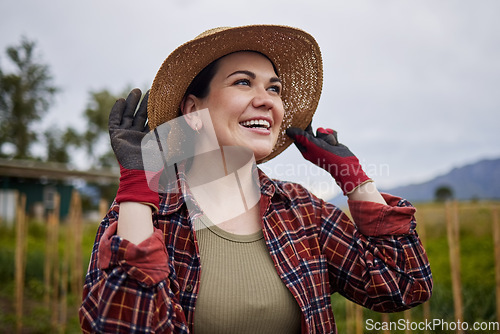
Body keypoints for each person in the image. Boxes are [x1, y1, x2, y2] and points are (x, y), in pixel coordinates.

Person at [79, 25, 432, 334]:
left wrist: (353, 177)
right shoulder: (147, 213)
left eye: (274, 88)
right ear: (192, 110)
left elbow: (403, 283)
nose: (266, 101)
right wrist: (140, 186)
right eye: (243, 82)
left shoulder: (301, 211)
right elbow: (120, 323)